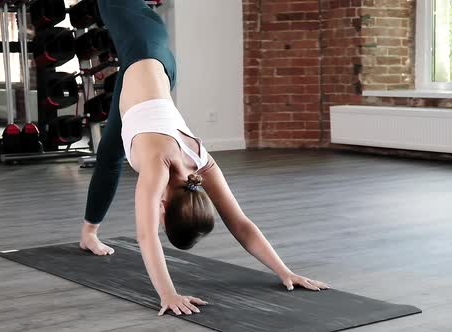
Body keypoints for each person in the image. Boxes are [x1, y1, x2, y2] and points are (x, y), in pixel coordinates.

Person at [80, 0, 329, 316]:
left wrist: (284, 272)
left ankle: (89, 233)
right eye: (163, 220)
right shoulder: (158, 167)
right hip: (141, 41)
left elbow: (240, 223)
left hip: (158, 71)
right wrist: (168, 294)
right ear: (165, 208)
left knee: (109, 155)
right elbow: (146, 237)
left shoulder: (201, 161)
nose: (156, 221)